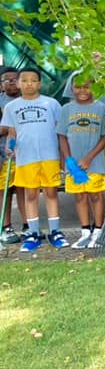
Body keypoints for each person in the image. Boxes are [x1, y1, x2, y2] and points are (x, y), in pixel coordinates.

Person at [0, 68, 67, 252]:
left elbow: (59, 130)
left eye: (33, 80)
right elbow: (12, 131)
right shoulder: (11, 107)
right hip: (25, 158)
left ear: (39, 83)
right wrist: (10, 146)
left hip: (49, 156)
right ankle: (33, 233)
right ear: (19, 83)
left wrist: (63, 156)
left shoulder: (51, 103)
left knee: (51, 192)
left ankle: (55, 232)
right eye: (25, 80)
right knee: (30, 195)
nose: (29, 84)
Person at [57, 79, 105, 249]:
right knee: (79, 196)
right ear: (71, 88)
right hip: (74, 164)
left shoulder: (101, 108)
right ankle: (85, 232)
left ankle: (98, 231)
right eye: (78, 86)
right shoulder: (66, 109)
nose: (82, 90)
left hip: (94, 162)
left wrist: (89, 158)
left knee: (96, 195)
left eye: (87, 86)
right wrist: (68, 159)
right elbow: (62, 136)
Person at [0, 67, 25, 244]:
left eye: (15, 79)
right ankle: (6, 226)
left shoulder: (29, 101)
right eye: (6, 79)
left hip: (25, 155)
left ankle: (28, 225)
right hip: (4, 156)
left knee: (25, 190)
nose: (11, 82)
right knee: (4, 192)